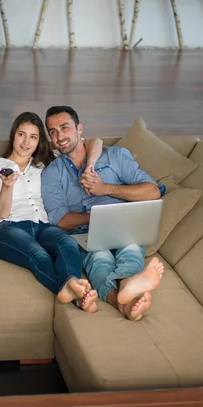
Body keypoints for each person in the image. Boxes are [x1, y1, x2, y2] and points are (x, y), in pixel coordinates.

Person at [41, 106, 165, 321]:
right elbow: (59, 219)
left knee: (132, 248)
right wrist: (98, 219)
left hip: (124, 225)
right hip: (83, 232)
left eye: (64, 128)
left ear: (79, 129)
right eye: (53, 131)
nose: (59, 136)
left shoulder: (115, 156)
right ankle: (126, 294)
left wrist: (105, 189)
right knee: (99, 257)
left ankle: (125, 290)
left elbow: (152, 191)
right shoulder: (52, 173)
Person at [0, 111, 103, 312]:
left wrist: (91, 165)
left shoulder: (46, 163)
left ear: (39, 142)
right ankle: (75, 294)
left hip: (43, 226)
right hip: (9, 229)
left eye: (33, 137)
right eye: (22, 134)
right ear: (13, 135)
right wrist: (7, 187)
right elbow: (1, 213)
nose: (26, 142)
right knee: (40, 256)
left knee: (68, 243)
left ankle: (72, 286)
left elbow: (93, 141)